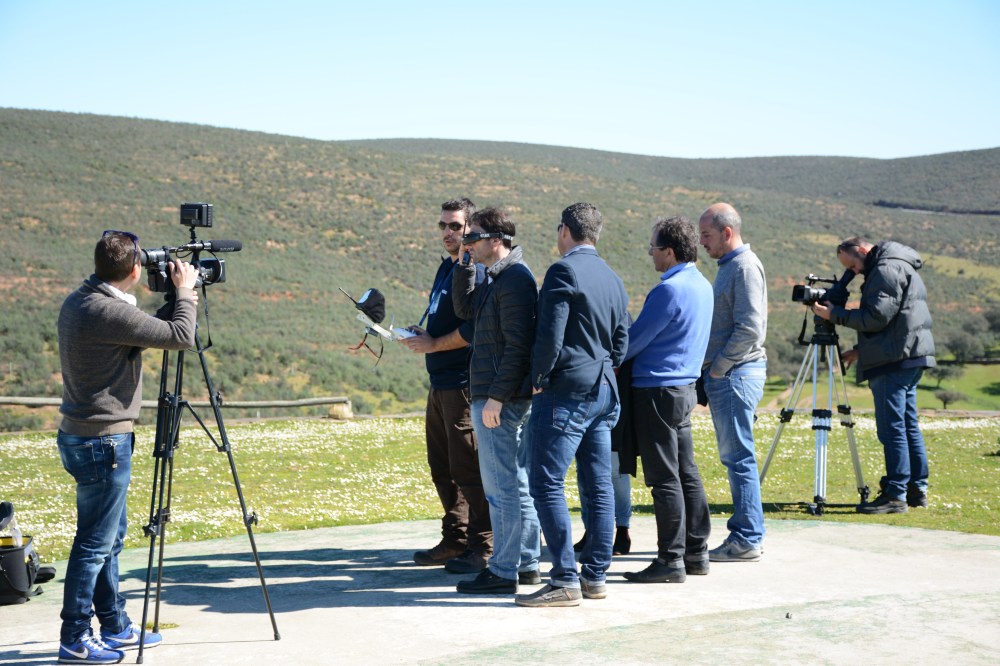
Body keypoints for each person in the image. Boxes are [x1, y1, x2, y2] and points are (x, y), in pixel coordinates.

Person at [57, 230, 198, 664]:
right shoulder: (108, 312)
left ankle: (114, 624)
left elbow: (142, 329)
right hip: (104, 440)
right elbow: (180, 336)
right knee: (95, 544)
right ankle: (75, 637)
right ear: (134, 270)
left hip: (83, 434)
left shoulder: (82, 300)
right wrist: (186, 294)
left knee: (109, 539)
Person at [518, 202, 629, 608]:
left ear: (565, 230)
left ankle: (564, 578)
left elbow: (550, 336)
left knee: (545, 482)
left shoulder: (563, 271)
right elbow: (621, 343)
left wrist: (537, 380)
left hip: (566, 392)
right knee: (598, 486)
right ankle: (595, 577)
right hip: (603, 390)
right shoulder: (613, 278)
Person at [451, 207, 541, 595]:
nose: (466, 243)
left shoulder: (515, 281)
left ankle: (505, 570)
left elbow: (518, 348)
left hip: (498, 399)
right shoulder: (495, 278)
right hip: (495, 395)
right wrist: (463, 267)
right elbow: (466, 310)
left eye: (472, 237)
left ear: (496, 239)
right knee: (513, 482)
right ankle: (527, 562)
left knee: (502, 486)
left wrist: (496, 399)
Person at [812, 237, 935, 513]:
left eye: (853, 265)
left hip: (894, 361)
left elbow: (877, 316)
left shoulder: (884, 268)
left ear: (863, 251)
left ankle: (895, 495)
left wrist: (836, 315)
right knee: (906, 425)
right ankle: (916, 489)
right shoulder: (896, 264)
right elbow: (896, 317)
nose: (854, 272)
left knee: (892, 428)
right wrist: (860, 349)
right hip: (907, 355)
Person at [402, 198, 493, 574]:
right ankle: (456, 538)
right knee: (442, 465)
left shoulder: (478, 271)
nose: (447, 233)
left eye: (455, 226)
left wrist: (435, 343)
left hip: (464, 383)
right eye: (443, 226)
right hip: (439, 380)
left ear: (471, 229)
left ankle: (483, 545)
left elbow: (476, 330)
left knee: (468, 466)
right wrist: (424, 334)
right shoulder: (446, 268)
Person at [622, 216, 714, 583]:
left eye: (654, 248)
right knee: (686, 472)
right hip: (684, 389)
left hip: (656, 391)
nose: (650, 254)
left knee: (663, 479)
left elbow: (634, 342)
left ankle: (670, 560)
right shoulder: (702, 285)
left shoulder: (668, 291)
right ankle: (697, 552)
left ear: (670, 252)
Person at [698, 203, 768, 563]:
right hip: (732, 374)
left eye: (707, 236)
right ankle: (747, 533)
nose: (702, 243)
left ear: (727, 232)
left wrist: (717, 368)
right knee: (737, 456)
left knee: (739, 457)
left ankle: (746, 539)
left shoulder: (742, 267)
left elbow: (750, 328)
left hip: (735, 374)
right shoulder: (732, 266)